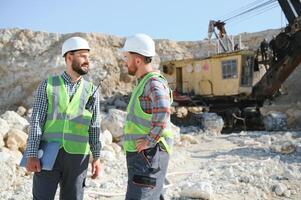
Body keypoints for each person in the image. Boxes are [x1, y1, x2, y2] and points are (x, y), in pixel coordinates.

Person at [25, 36, 102, 200]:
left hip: (78, 157)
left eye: (88, 56)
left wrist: (97, 157)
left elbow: (94, 127)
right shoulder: (48, 85)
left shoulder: (92, 91)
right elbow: (37, 121)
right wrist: (32, 154)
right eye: (82, 56)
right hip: (47, 154)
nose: (87, 60)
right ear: (69, 57)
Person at [121, 33, 174, 200]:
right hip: (144, 154)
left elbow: (164, 109)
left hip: (149, 153)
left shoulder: (152, 83)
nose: (125, 62)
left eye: (126, 57)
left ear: (137, 60)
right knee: (151, 195)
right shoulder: (144, 82)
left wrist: (150, 140)